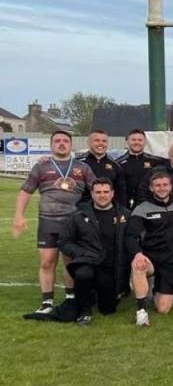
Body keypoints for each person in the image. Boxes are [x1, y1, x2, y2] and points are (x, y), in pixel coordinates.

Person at [13, 130, 97, 315]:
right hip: (48, 223)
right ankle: (47, 302)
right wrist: (19, 215)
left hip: (73, 225)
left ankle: (71, 298)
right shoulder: (41, 167)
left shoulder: (82, 168)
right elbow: (26, 191)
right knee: (47, 263)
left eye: (65, 141)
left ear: (71, 145)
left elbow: (98, 191)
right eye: (57, 141)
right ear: (51, 145)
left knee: (70, 262)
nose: (61, 144)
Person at [57, 178, 131, 325]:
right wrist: (82, 253)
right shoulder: (78, 215)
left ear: (112, 193)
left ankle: (94, 293)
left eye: (105, 192)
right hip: (87, 261)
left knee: (108, 309)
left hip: (110, 267)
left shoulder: (125, 215)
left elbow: (131, 240)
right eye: (98, 192)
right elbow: (64, 242)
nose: (102, 195)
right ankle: (84, 311)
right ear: (91, 194)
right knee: (83, 274)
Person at [127, 170, 173, 327]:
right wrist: (137, 255)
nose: (161, 188)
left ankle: (158, 288)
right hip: (151, 259)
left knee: (163, 309)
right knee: (138, 266)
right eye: (157, 185)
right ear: (151, 188)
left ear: (170, 186)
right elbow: (130, 236)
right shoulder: (142, 208)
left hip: (171, 261)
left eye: (164, 185)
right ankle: (141, 312)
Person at [117, 128, 163, 209]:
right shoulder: (118, 163)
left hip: (151, 205)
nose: (137, 142)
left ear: (145, 142)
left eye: (140, 140)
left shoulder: (156, 161)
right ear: (127, 141)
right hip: (126, 206)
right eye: (133, 140)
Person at [80, 129, 126, 209]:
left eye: (104, 141)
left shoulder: (115, 166)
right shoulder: (78, 163)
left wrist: (120, 212)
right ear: (89, 142)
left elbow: (121, 193)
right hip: (82, 211)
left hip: (107, 211)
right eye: (97, 140)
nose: (101, 143)